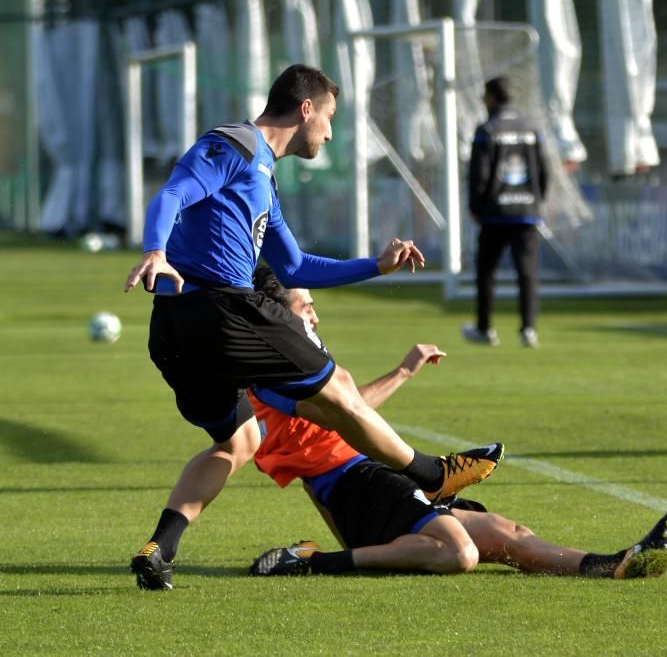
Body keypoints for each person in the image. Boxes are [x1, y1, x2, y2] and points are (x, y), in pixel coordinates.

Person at [123, 64, 502, 591]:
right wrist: (155, 251)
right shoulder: (234, 144)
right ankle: (430, 474)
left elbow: (296, 267)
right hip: (220, 308)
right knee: (339, 385)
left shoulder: (263, 179)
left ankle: (158, 547)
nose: (329, 131)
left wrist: (375, 265)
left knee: (239, 442)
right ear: (306, 109)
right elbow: (172, 194)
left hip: (174, 332)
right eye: (328, 118)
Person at [247, 267, 667, 580]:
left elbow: (348, 411)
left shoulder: (294, 366)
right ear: (279, 313)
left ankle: (616, 564)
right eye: (306, 306)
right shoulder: (275, 368)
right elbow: (344, 414)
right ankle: (312, 561)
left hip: (372, 474)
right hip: (352, 484)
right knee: (458, 553)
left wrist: (403, 372)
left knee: (506, 535)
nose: (315, 315)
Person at [463, 76, 549, 349]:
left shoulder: (487, 129)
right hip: (526, 210)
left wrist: (476, 206)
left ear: (491, 98)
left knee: (487, 272)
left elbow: (480, 173)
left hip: (495, 212)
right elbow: (544, 170)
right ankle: (528, 329)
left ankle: (485, 328)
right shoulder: (531, 128)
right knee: (527, 272)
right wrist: (537, 200)